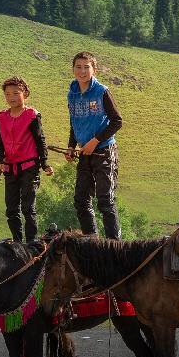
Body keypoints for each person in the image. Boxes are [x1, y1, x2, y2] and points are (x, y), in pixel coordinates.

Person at [65, 52, 122, 240]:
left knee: (105, 200)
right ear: (73, 69)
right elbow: (74, 123)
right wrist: (71, 146)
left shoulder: (102, 91)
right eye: (78, 67)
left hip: (104, 150)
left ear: (94, 70)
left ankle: (114, 245)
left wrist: (95, 141)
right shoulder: (71, 94)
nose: (82, 71)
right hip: (84, 152)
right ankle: (93, 243)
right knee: (81, 200)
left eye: (86, 67)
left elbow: (117, 121)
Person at [0, 76, 54, 243]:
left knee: (28, 208)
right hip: (10, 168)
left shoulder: (32, 115)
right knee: (11, 210)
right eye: (7, 94)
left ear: (25, 94)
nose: (11, 97)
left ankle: (32, 243)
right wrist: (0, 160)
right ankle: (18, 243)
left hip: (29, 166)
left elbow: (40, 140)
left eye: (16, 93)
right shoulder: (1, 117)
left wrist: (44, 163)